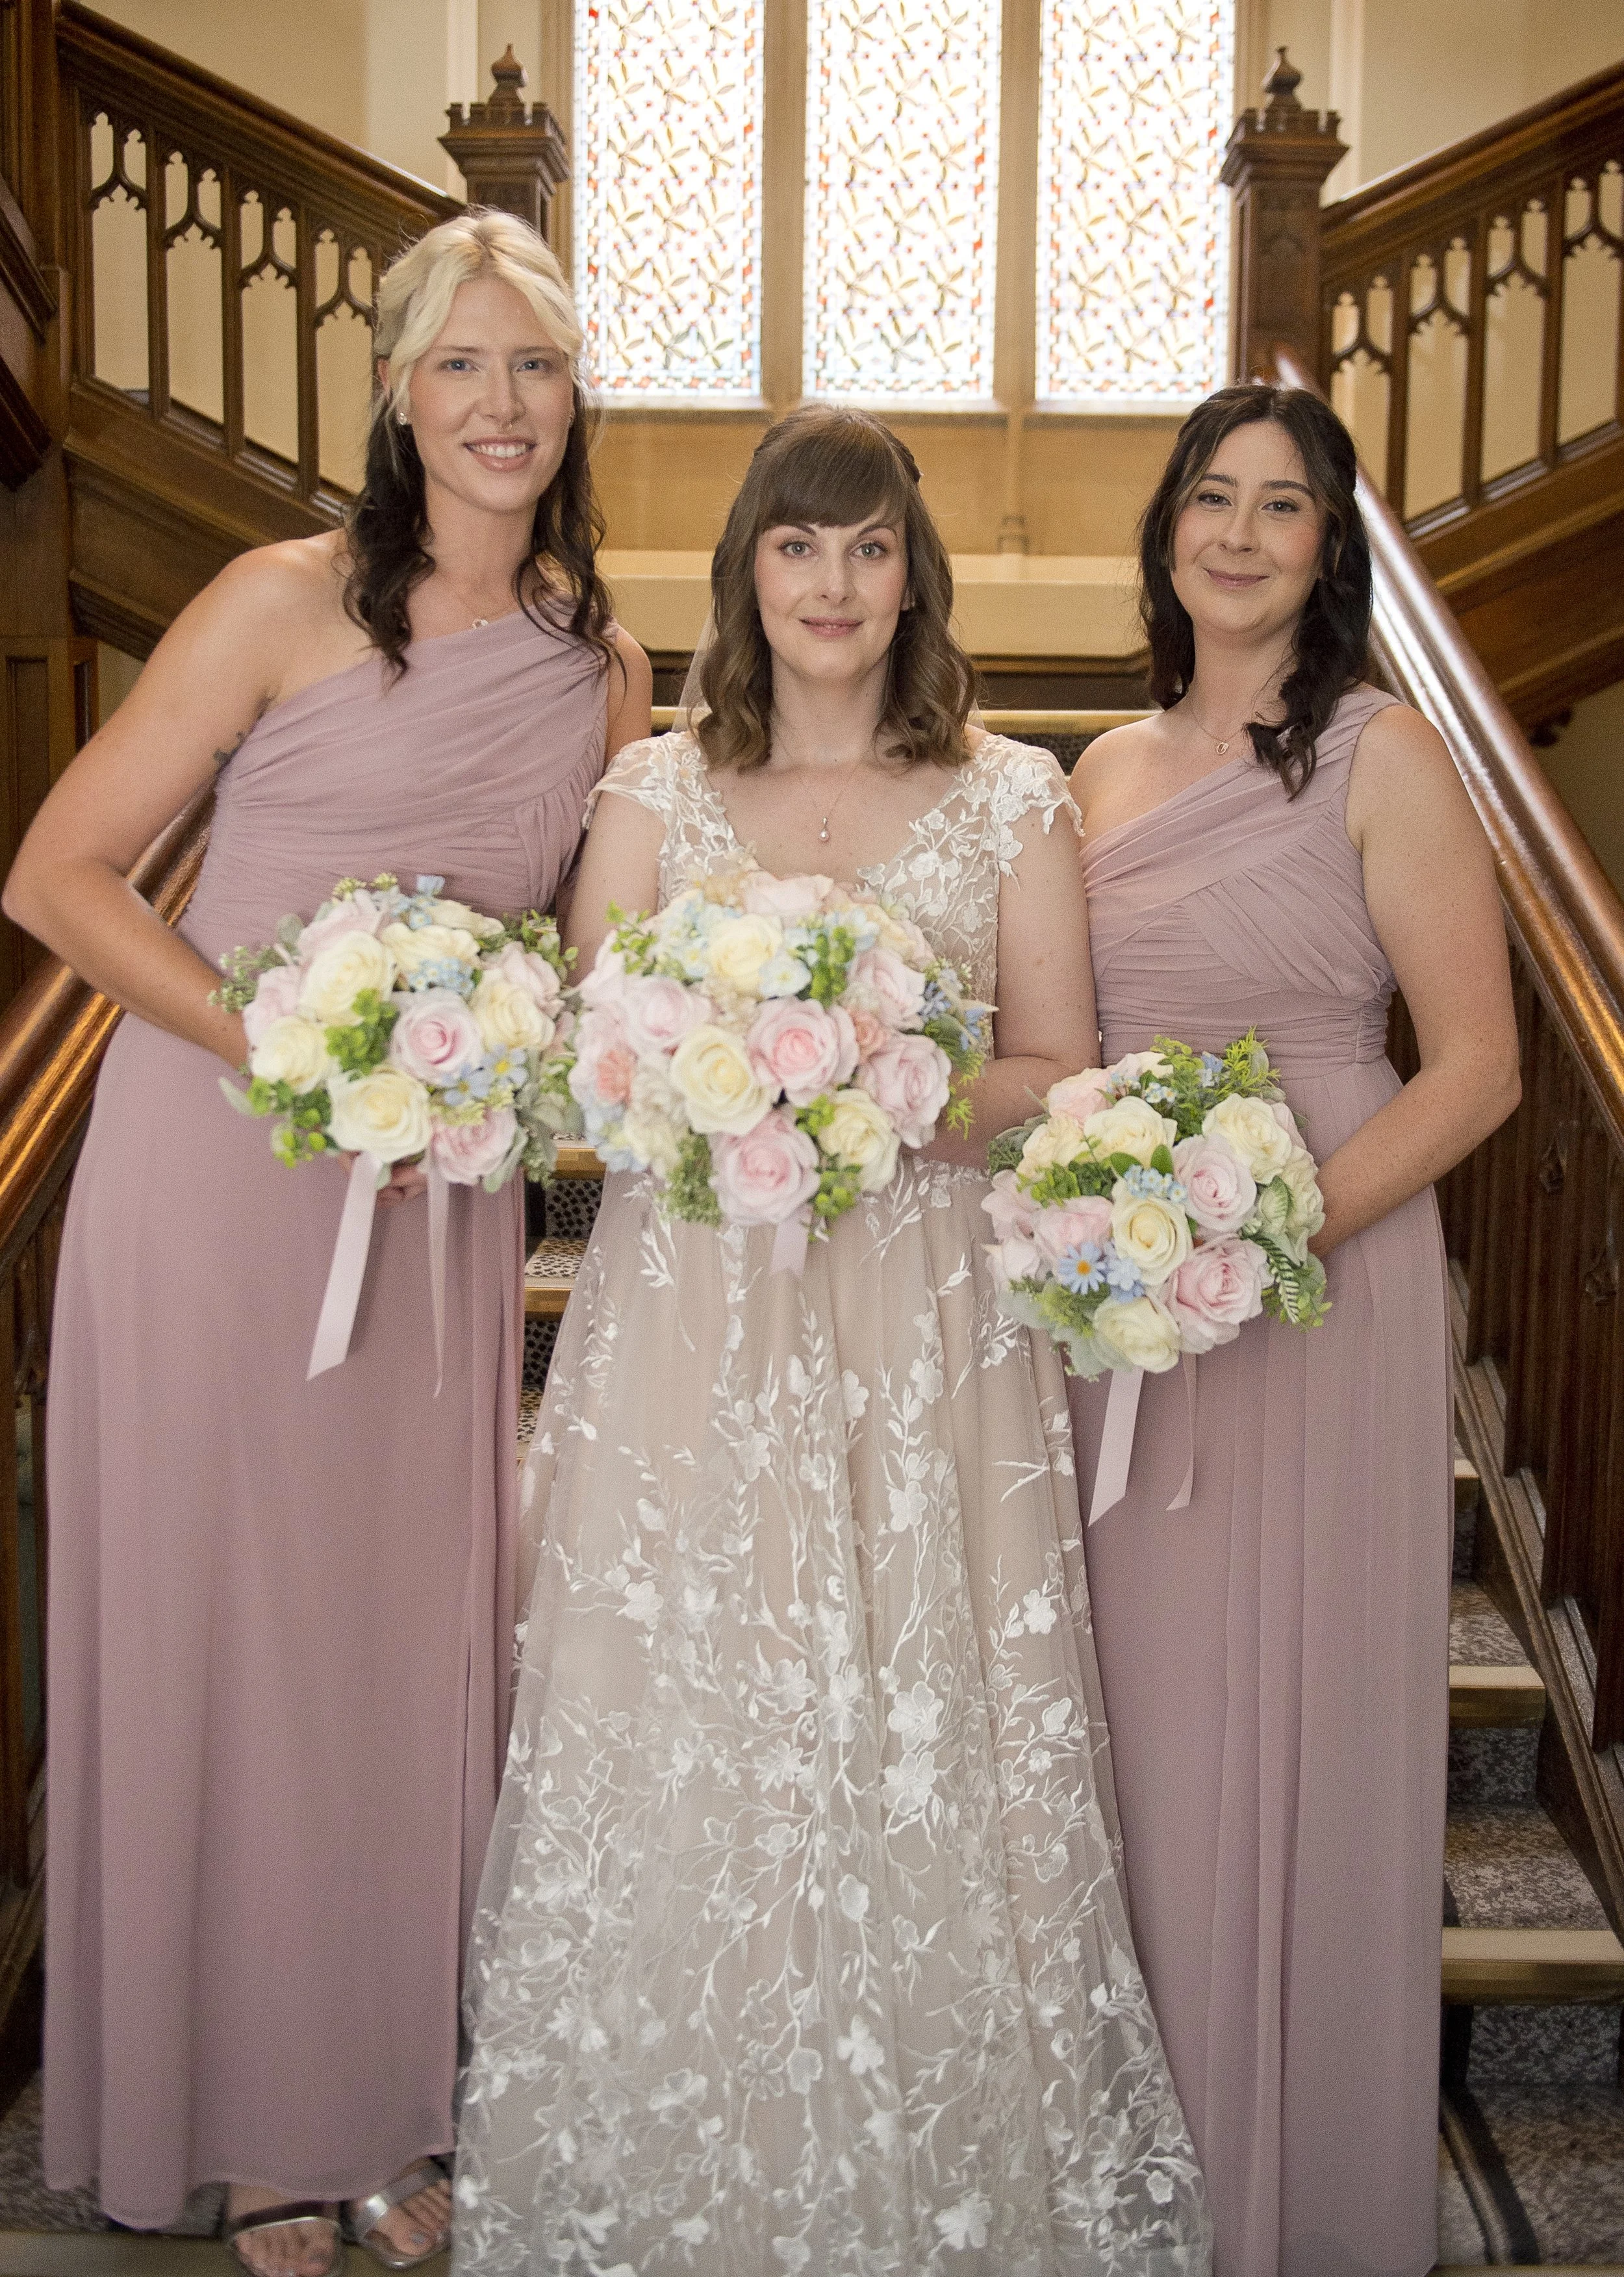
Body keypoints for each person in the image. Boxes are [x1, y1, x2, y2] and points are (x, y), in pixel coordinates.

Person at [453, 404, 1212, 2277]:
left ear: (912, 576)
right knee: (694, 1703)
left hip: (923, 1320)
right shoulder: (648, 792)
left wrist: (887, 1078)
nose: (832, 585)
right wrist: (716, 1100)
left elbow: (1052, 1069)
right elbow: (586, 1069)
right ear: (745, 574)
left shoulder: (1010, 793)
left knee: (917, 1707)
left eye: (868, 549)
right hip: (698, 1321)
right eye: (797, 548)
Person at [3, 212, 650, 2274]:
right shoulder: (275, 601)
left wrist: (577, 1061)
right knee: (223, 1637)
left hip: (435, 1206)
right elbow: (62, 876)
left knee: (397, 1650)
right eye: (458, 366)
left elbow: (581, 959)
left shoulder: (606, 661)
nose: (497, 406)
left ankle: (375, 2094)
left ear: (575, 401)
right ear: (393, 394)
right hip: (214, 1182)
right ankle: (239, 2117)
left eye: (533, 368)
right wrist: (283, 1039)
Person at [1065, 384, 1521, 2277]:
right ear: (1166, 527)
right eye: (1210, 499)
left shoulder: (1379, 753)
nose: (1237, 534)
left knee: (1306, 1725)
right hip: (1125, 1302)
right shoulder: (1089, 770)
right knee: (1141, 1735)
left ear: (1326, 549)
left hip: (1321, 1263)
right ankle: (1150, 2190)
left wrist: (1256, 1237)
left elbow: (1478, 1069)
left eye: (1281, 507)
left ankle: (1299, 2207)